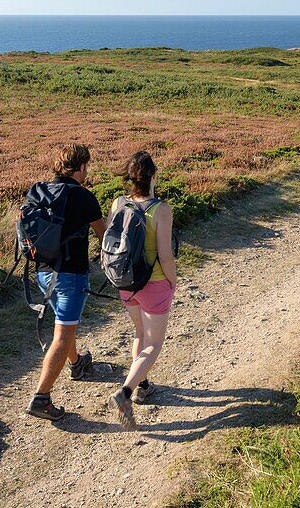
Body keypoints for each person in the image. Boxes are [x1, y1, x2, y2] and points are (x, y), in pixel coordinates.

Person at [25, 143, 106, 421]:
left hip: (43, 272)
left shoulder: (40, 191)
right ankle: (41, 398)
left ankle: (77, 363)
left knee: (64, 322)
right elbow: (104, 234)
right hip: (71, 275)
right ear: (81, 166)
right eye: (87, 167)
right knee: (62, 335)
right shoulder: (83, 197)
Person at [108, 151, 177, 430]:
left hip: (125, 280)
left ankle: (141, 386)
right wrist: (172, 280)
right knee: (154, 343)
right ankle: (125, 392)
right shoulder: (160, 209)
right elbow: (165, 254)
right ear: (152, 176)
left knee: (139, 333)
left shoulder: (118, 203)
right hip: (154, 282)